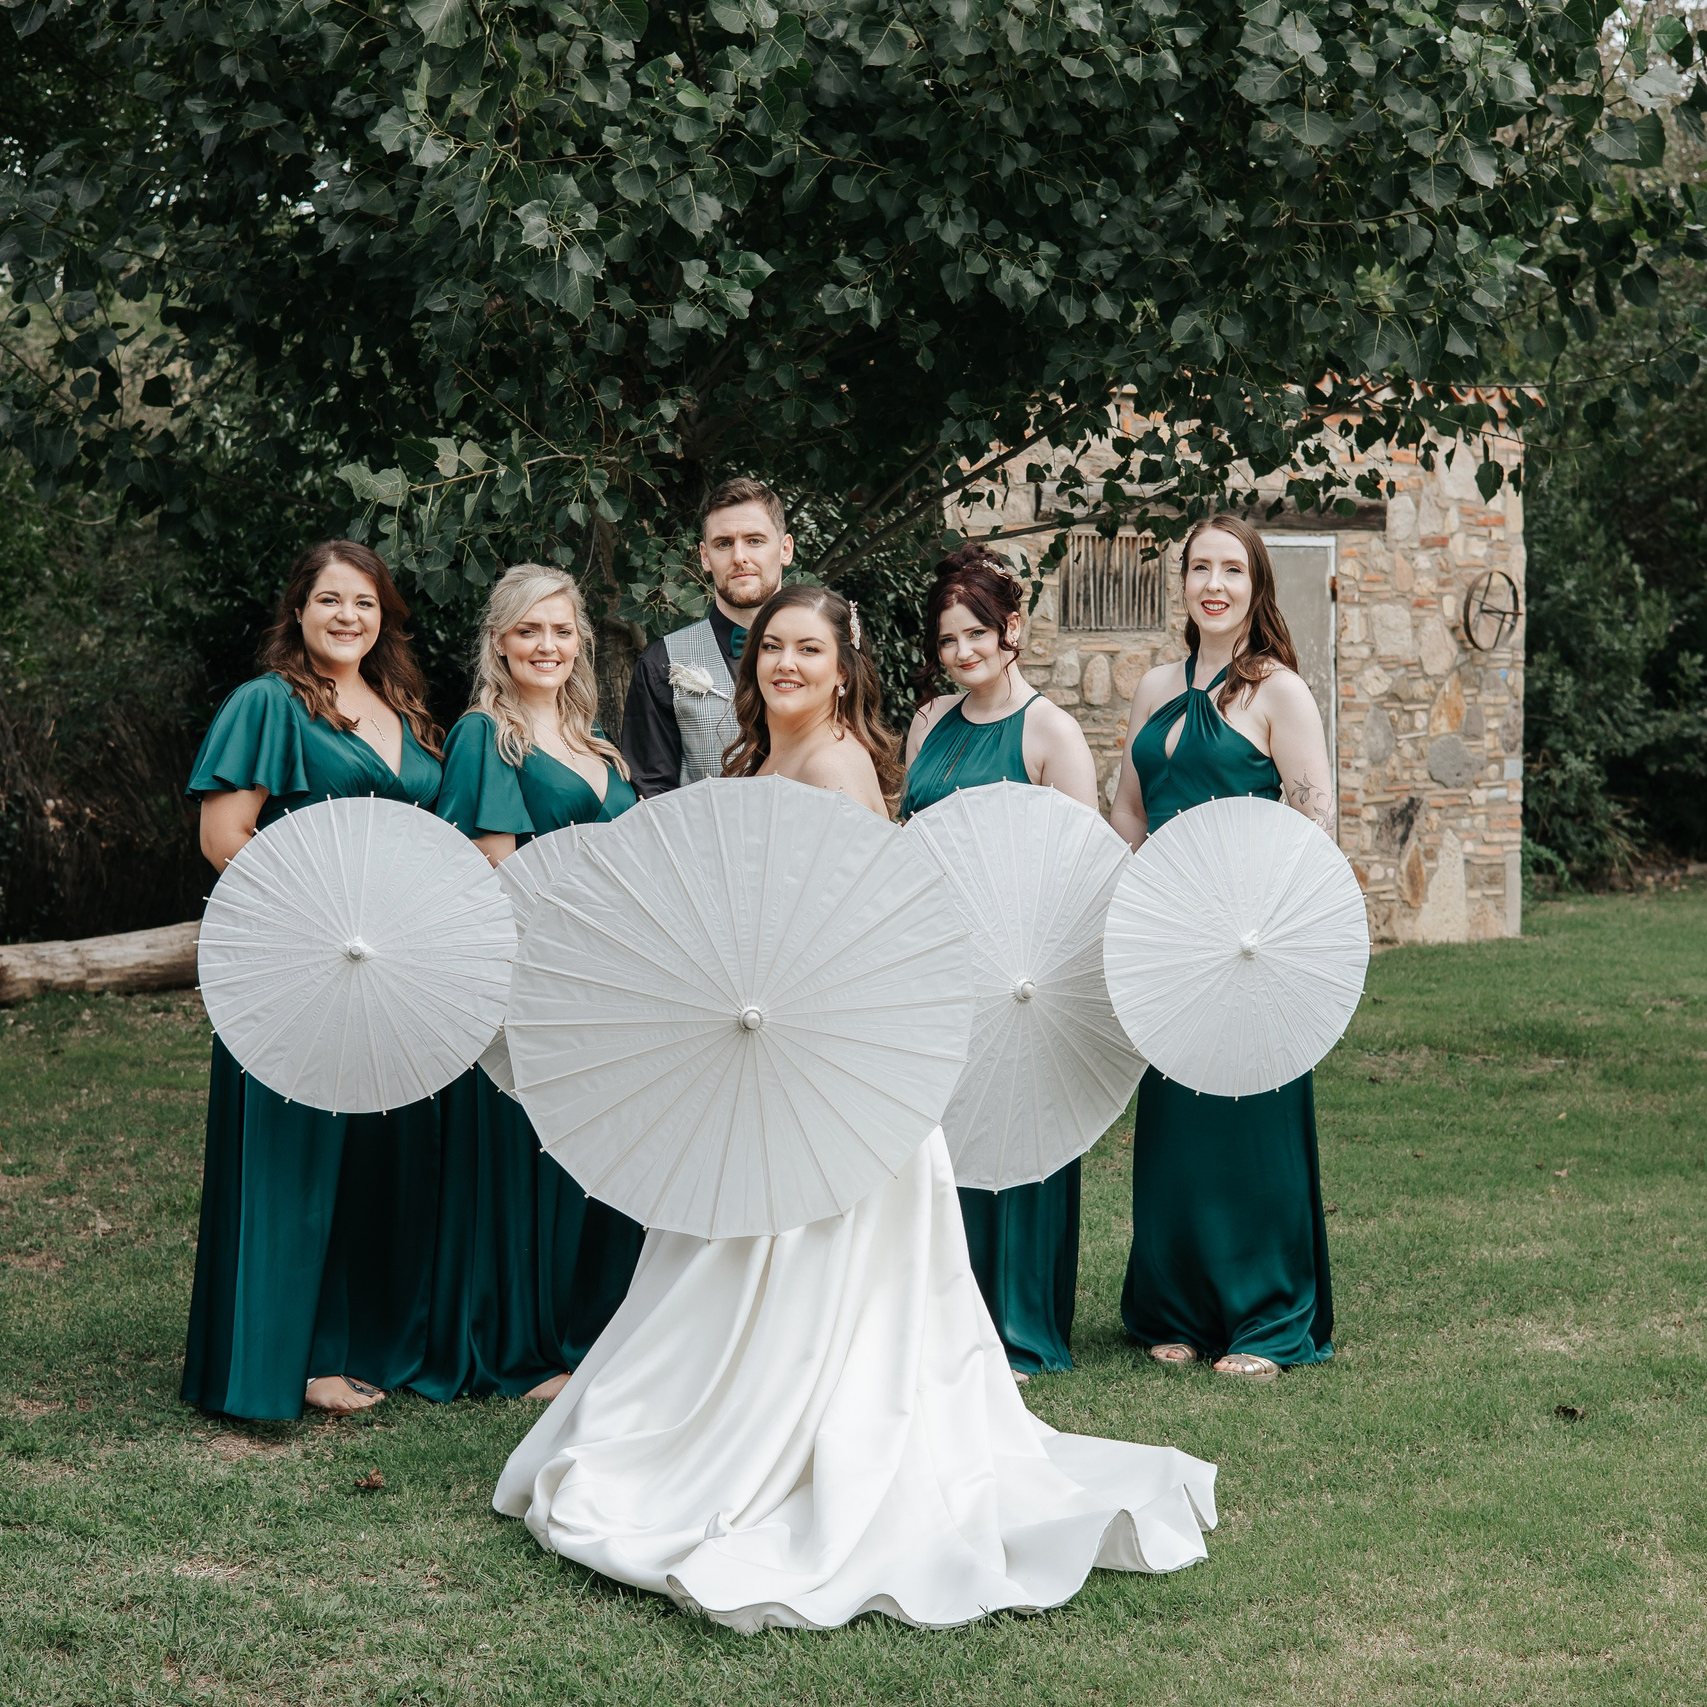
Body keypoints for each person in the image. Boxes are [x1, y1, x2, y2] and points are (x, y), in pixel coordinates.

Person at [494, 582, 1216, 1633]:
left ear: (843, 670)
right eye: (771, 649)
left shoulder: (836, 765)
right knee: (716, 1256)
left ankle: (787, 1442)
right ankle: (711, 1425)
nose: (784, 663)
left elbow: (871, 931)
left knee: (820, 1283)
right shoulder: (755, 762)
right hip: (762, 1057)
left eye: (806, 650)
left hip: (834, 1075)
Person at [182, 540, 445, 1420]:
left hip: (386, 975)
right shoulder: (269, 704)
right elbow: (226, 839)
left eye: (364, 603)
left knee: (374, 1154)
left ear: (384, 617)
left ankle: (362, 1339)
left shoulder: (402, 710)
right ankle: (289, 1355)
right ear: (297, 611)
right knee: (296, 1153)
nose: (347, 617)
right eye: (329, 600)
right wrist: (314, 924)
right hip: (296, 965)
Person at [1108, 513, 1338, 1381]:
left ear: (1256, 585)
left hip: (1250, 939)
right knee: (1178, 1126)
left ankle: (1267, 1317)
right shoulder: (1156, 685)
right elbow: (1131, 808)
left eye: (1231, 570)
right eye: (1200, 568)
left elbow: (1313, 818)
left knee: (1251, 1127)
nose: (1214, 584)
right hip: (1168, 940)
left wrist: (1275, 923)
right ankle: (1176, 1308)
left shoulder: (1278, 689)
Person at [426, 565, 650, 1401]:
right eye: (529, 631)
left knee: (596, 1159)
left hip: (608, 989)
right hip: (527, 983)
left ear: (579, 641)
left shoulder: (598, 744)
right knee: (527, 1155)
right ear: (500, 642)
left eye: (561, 630)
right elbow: (494, 876)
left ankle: (588, 1329)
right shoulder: (487, 735)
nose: (546, 646)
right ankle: (519, 1346)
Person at [899, 544, 1100, 1382]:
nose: (962, 654)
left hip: (1021, 969)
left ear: (1011, 627)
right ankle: (947, 1318)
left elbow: (1082, 866)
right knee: (948, 1144)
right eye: (947, 641)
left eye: (976, 633)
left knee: (1020, 1141)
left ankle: (1019, 1326)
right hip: (941, 969)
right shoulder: (927, 724)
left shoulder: (1050, 730)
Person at [617, 476, 792, 797]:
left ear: (785, 549)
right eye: (724, 543)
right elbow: (652, 794)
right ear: (704, 556)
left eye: (754, 540)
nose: (739, 556)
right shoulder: (662, 663)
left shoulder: (830, 651)